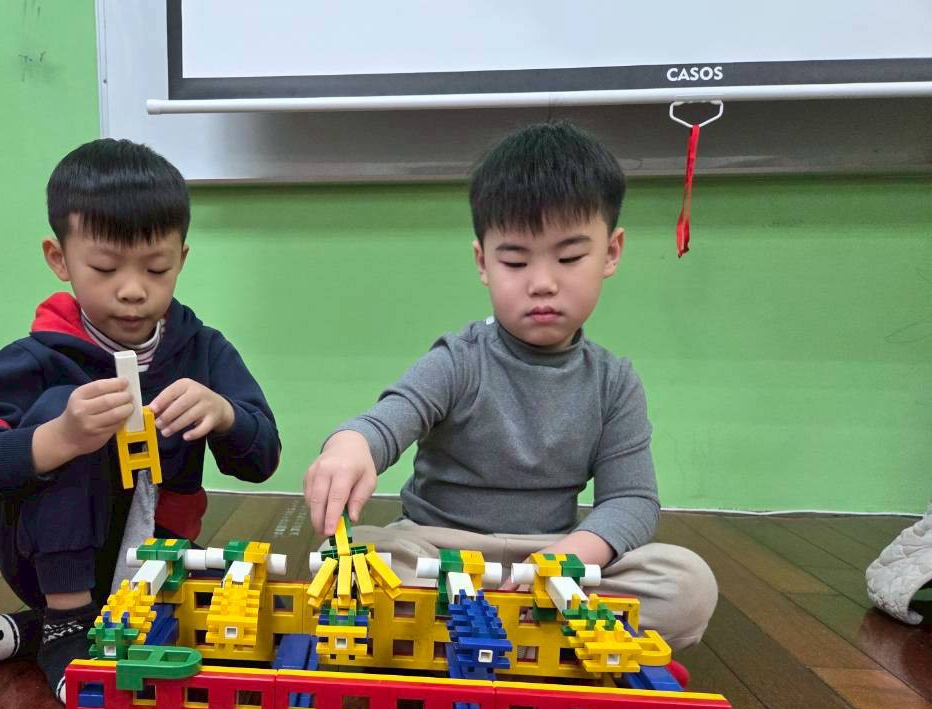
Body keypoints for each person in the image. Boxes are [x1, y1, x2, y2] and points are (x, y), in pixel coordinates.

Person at [303, 122, 715, 654]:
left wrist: (571, 557)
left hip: (553, 558)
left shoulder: (614, 383)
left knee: (687, 583)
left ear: (611, 253)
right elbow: (390, 418)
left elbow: (631, 501)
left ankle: (454, 635)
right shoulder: (459, 360)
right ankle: (528, 638)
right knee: (350, 560)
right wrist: (350, 445)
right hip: (436, 552)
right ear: (483, 262)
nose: (542, 282)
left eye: (570, 258)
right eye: (515, 261)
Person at [0, 139, 280, 700]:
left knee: (223, 611)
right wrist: (56, 439)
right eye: (105, 268)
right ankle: (66, 624)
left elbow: (263, 460)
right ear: (59, 259)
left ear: (182, 259)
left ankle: (35, 630)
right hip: (44, 565)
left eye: (157, 268)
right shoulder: (35, 357)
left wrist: (226, 415)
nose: (134, 290)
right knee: (63, 405)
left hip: (158, 560)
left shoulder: (204, 351)